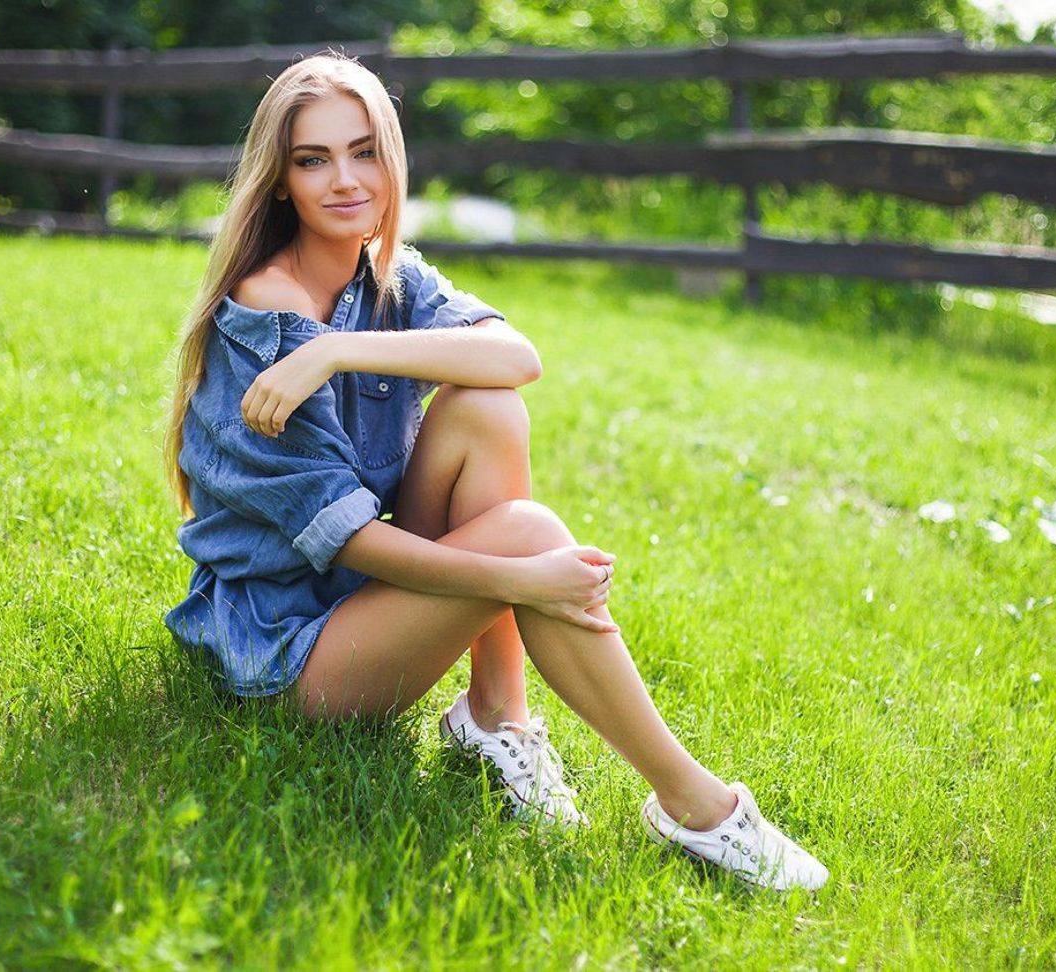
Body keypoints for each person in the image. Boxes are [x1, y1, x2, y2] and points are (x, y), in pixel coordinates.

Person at [161, 50, 828, 893]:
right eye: (312, 158)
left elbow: (517, 356)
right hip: (286, 653)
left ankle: (496, 718)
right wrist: (524, 579)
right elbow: (355, 545)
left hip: (362, 614)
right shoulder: (266, 313)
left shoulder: (385, 281)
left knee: (488, 404)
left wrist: (340, 349)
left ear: (393, 158)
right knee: (528, 536)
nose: (344, 179)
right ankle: (698, 808)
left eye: (364, 151)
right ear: (280, 178)